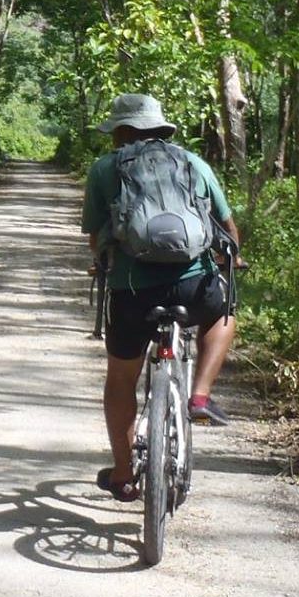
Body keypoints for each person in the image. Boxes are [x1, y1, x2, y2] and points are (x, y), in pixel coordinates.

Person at [81, 92, 242, 501]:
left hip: (132, 291)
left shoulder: (104, 169)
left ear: (120, 132)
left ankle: (122, 474)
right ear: (160, 128)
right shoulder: (192, 162)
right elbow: (226, 226)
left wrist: (102, 261)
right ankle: (200, 395)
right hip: (193, 284)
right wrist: (231, 262)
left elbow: (96, 237)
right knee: (224, 314)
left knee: (120, 379)